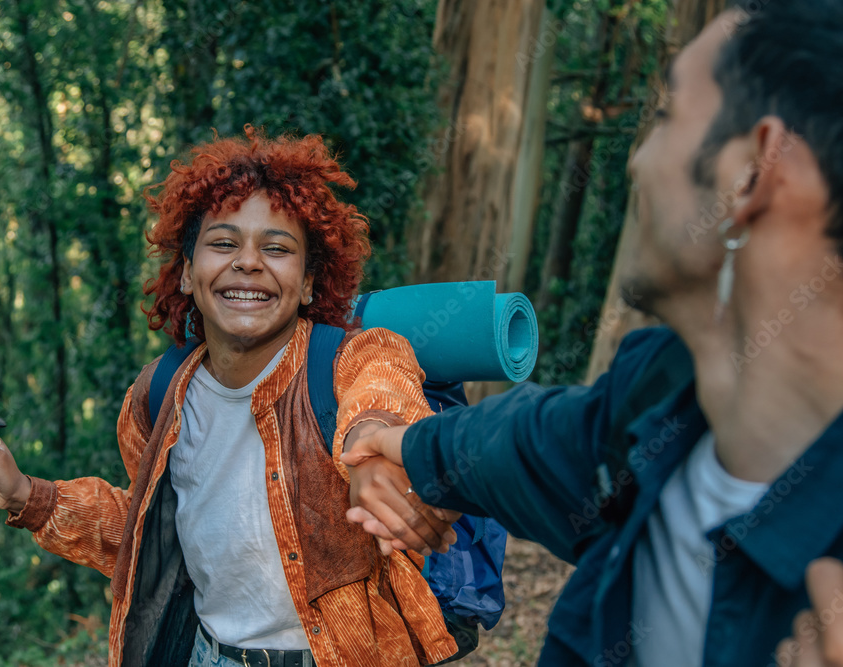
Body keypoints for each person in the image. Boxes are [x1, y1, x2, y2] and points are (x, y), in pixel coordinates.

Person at [341, 1, 843, 666]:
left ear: (750, 173)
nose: (636, 162)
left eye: (665, 118)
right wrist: (401, 448)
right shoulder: (650, 405)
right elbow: (522, 440)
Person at [0, 127, 461, 667]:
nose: (248, 262)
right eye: (223, 243)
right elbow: (143, 529)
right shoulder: (158, 394)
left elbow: (382, 394)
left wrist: (372, 448)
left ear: (309, 283)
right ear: (189, 274)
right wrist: (26, 494)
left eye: (277, 248)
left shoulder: (350, 361)